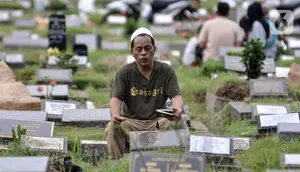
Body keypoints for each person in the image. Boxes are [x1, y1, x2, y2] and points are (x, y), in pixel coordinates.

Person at [105, 27, 187, 160]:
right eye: (139, 49)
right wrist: (115, 115)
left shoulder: (166, 71)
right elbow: (116, 99)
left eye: (147, 48)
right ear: (132, 52)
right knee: (112, 127)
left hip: (157, 122)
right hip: (131, 123)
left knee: (180, 122)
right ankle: (117, 162)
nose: (143, 53)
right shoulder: (124, 73)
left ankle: (180, 161)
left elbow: (176, 96)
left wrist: (177, 110)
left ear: (154, 49)